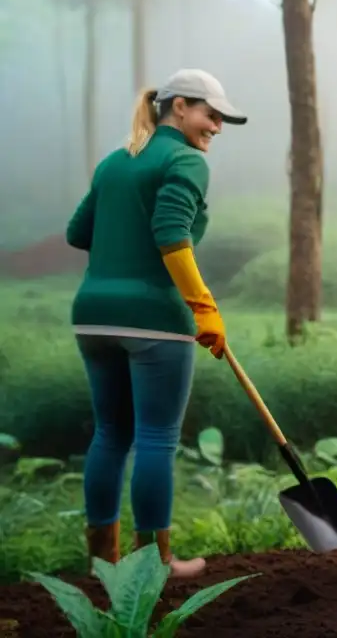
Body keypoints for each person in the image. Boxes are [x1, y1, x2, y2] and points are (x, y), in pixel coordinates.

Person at [66, 69, 246, 577]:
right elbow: (171, 232)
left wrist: (121, 235)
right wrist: (203, 306)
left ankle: (103, 563)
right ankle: (153, 565)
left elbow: (78, 232)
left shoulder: (114, 162)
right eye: (211, 115)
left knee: (109, 435)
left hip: (93, 316)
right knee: (155, 439)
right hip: (153, 320)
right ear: (181, 106)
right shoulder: (185, 160)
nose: (217, 127)